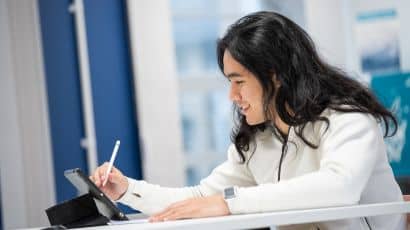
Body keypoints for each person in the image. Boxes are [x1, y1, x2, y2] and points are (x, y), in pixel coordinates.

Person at [90, 11, 406, 229]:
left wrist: (229, 203)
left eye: (238, 81)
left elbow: (340, 187)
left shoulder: (347, 118)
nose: (231, 96)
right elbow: (201, 198)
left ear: (276, 76)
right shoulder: (259, 139)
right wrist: (127, 189)